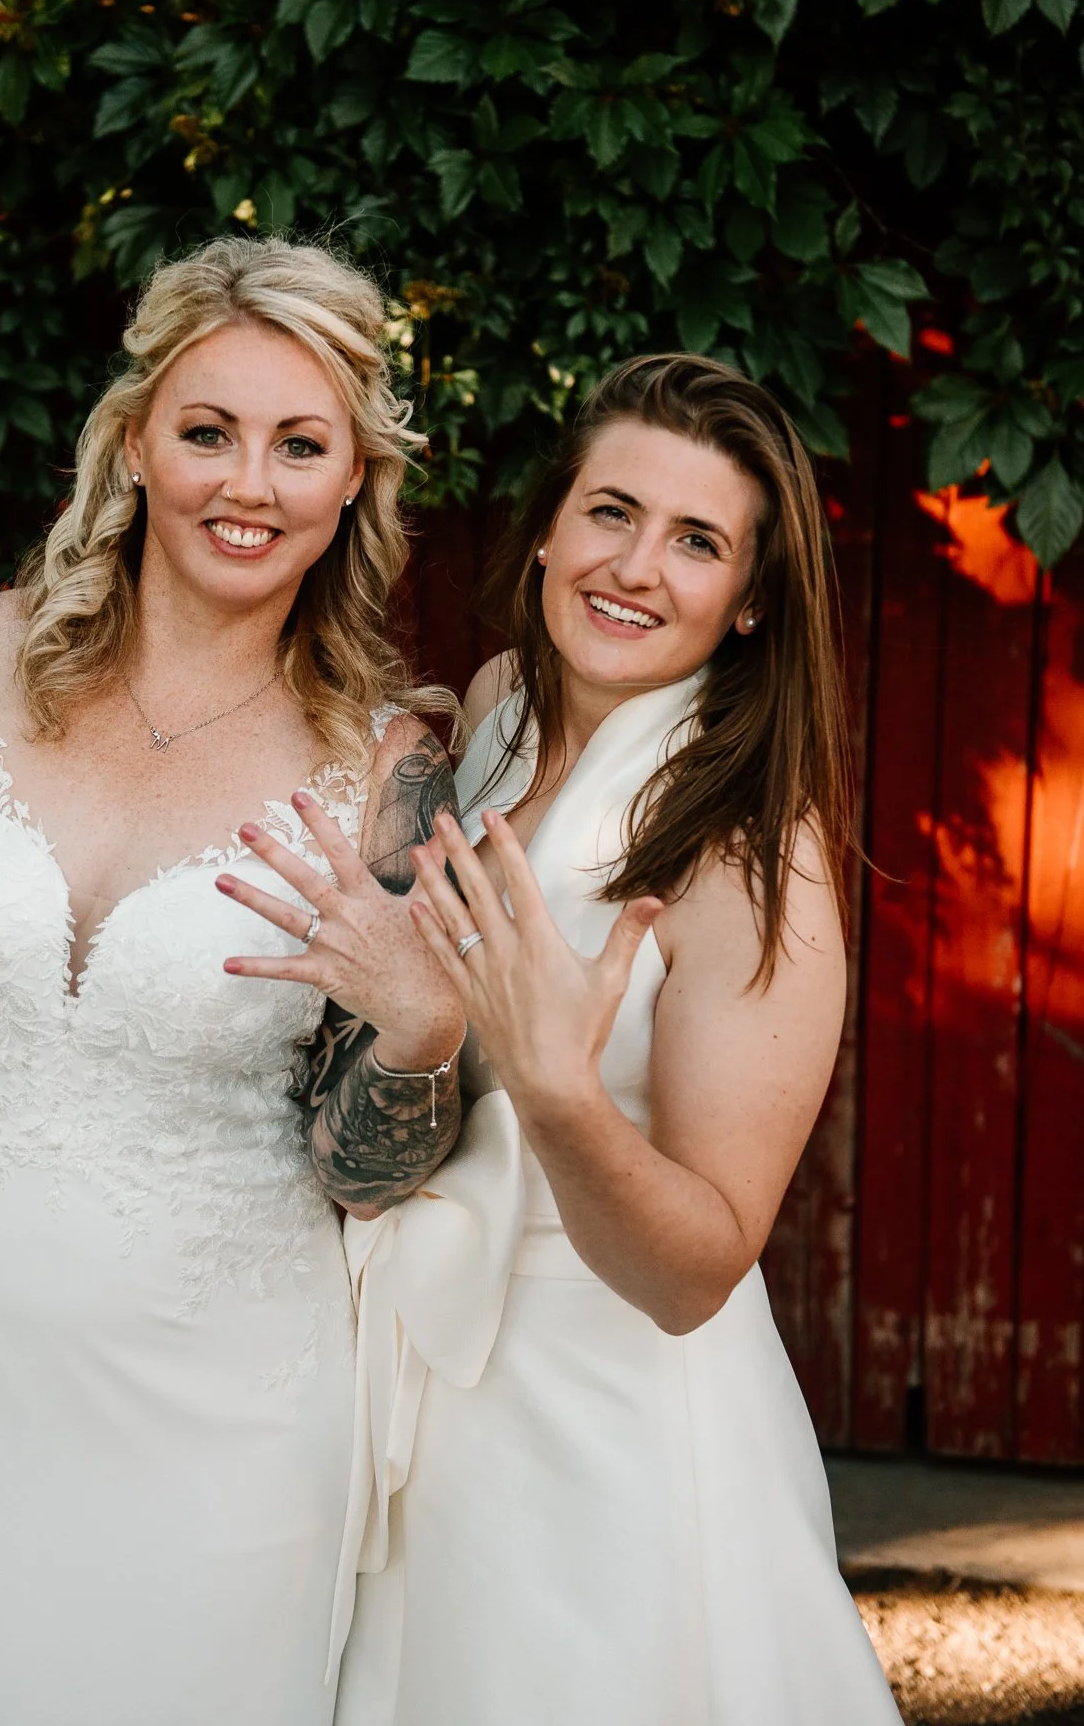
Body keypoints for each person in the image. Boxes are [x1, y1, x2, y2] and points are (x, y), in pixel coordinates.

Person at [0, 236, 465, 1726]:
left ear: (353, 482)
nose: (247, 484)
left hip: (226, 1440)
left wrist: (422, 1029)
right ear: (135, 442)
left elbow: (369, 1168)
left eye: (300, 444)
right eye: (208, 431)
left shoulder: (387, 773)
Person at [223, 352, 901, 1723]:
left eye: (696, 541)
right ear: (546, 528)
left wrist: (561, 1096)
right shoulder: (493, 713)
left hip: (603, 1426)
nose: (635, 568)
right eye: (612, 512)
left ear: (750, 600)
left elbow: (696, 1272)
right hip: (426, 1385)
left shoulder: (748, 858)